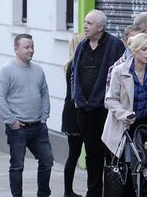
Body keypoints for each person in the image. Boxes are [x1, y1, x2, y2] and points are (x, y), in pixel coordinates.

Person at [71, 9, 126, 197]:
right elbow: (74, 73)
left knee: (111, 154)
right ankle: (93, 193)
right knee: (92, 155)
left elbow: (121, 75)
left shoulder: (115, 45)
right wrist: (76, 97)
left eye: (89, 23)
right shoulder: (81, 46)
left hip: (106, 110)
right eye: (85, 22)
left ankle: (112, 192)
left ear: (100, 27)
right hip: (84, 110)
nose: (85, 26)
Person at [0, 34, 53, 197]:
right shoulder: (6, 71)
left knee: (47, 160)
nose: (31, 50)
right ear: (16, 49)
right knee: (17, 165)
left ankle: (43, 194)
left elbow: (44, 93)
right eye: (27, 47)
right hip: (18, 128)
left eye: (32, 47)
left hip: (38, 127)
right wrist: (11, 121)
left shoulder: (38, 70)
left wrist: (44, 117)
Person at [102, 33, 147, 157]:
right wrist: (124, 114)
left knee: (145, 164)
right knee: (125, 166)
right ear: (134, 51)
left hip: (146, 124)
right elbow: (110, 99)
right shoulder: (119, 70)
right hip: (124, 124)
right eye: (144, 49)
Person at [63, 34, 85, 197]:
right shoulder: (74, 65)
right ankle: (68, 191)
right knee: (74, 154)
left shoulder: (70, 64)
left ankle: (68, 190)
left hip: (71, 113)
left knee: (74, 153)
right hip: (75, 114)